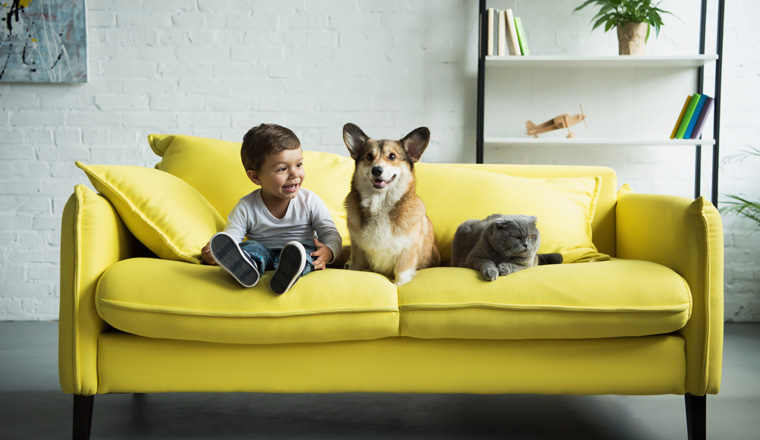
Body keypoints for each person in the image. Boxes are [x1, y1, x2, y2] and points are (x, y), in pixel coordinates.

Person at [201, 123, 342, 295]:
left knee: (307, 252)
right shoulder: (246, 206)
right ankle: (248, 269)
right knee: (251, 248)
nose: (294, 174)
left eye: (298, 164)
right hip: (264, 254)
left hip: (298, 251)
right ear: (255, 177)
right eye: (282, 169)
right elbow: (233, 237)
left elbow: (330, 233)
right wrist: (217, 252)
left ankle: (287, 273)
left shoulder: (309, 201)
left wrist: (329, 251)